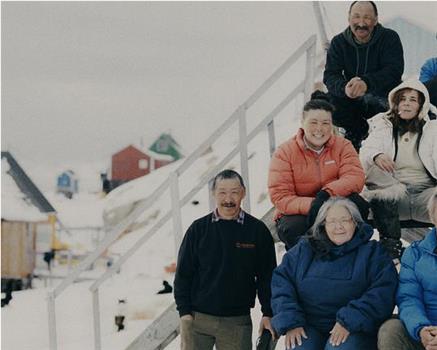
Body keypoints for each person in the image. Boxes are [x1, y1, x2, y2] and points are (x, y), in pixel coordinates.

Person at [271, 197, 398, 350]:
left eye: (345, 220)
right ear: (323, 224)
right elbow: (282, 283)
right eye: (332, 221)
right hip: (309, 324)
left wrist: (350, 319)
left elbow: (383, 291)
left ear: (355, 223)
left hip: (354, 327)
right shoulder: (304, 249)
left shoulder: (372, 253)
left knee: (338, 348)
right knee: (299, 347)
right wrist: (291, 320)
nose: (339, 227)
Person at [174, 169, 277, 350]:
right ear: (213, 194)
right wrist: (185, 314)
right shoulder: (198, 230)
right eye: (222, 192)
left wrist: (268, 312)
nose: (228, 199)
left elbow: (266, 277)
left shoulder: (257, 231)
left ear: (243, 193)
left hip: (237, 322)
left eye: (234, 192)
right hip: (198, 320)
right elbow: (183, 274)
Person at [268, 93, 368, 250]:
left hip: (334, 201)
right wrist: (315, 204)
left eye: (325, 123)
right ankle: (309, 265)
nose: (319, 129)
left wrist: (327, 195)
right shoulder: (285, 152)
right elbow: (280, 196)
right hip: (300, 210)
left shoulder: (343, 145)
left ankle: (351, 258)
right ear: (302, 123)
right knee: (293, 228)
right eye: (313, 122)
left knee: (359, 206)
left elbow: (355, 177)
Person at [360, 79, 437, 259]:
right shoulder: (383, 126)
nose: (407, 103)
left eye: (413, 99)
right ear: (395, 103)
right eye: (402, 99)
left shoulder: (434, 128)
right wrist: (377, 155)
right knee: (378, 180)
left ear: (421, 105)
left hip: (425, 195)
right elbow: (365, 152)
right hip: (393, 199)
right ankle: (390, 245)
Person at [323, 1, 404, 150]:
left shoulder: (390, 38)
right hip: (352, 99)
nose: (361, 23)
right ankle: (355, 134)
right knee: (328, 102)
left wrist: (366, 83)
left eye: (367, 17)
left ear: (375, 19)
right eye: (356, 17)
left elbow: (394, 71)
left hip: (382, 98)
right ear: (349, 18)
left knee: (397, 104)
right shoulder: (338, 42)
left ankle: (385, 141)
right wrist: (345, 87)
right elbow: (330, 75)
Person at [378, 190, 437, 350]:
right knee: (391, 330)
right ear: (432, 217)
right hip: (427, 330)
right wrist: (421, 329)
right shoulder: (415, 253)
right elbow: (409, 298)